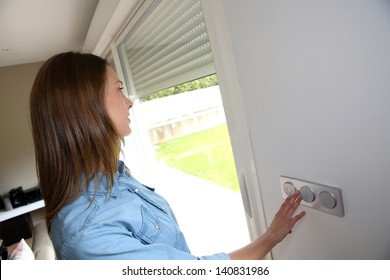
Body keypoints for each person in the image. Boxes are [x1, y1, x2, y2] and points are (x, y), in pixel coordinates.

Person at [30, 52, 305, 260]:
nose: (129, 101)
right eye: (119, 89)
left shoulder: (113, 176)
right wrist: (271, 237)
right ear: (86, 107)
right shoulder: (89, 231)